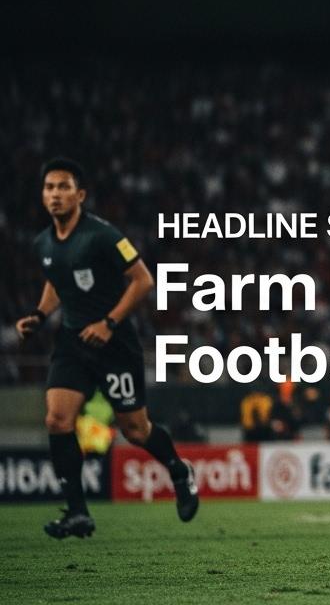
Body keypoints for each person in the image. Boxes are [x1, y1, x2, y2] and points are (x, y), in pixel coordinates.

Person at [15, 158, 198, 539]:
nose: (55, 195)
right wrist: (38, 314)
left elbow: (143, 280)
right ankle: (78, 512)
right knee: (57, 420)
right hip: (72, 340)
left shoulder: (102, 235)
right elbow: (57, 282)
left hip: (115, 343)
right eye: (49, 188)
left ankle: (179, 471)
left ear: (79, 195)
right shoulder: (43, 243)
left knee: (135, 430)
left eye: (63, 187)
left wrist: (109, 322)